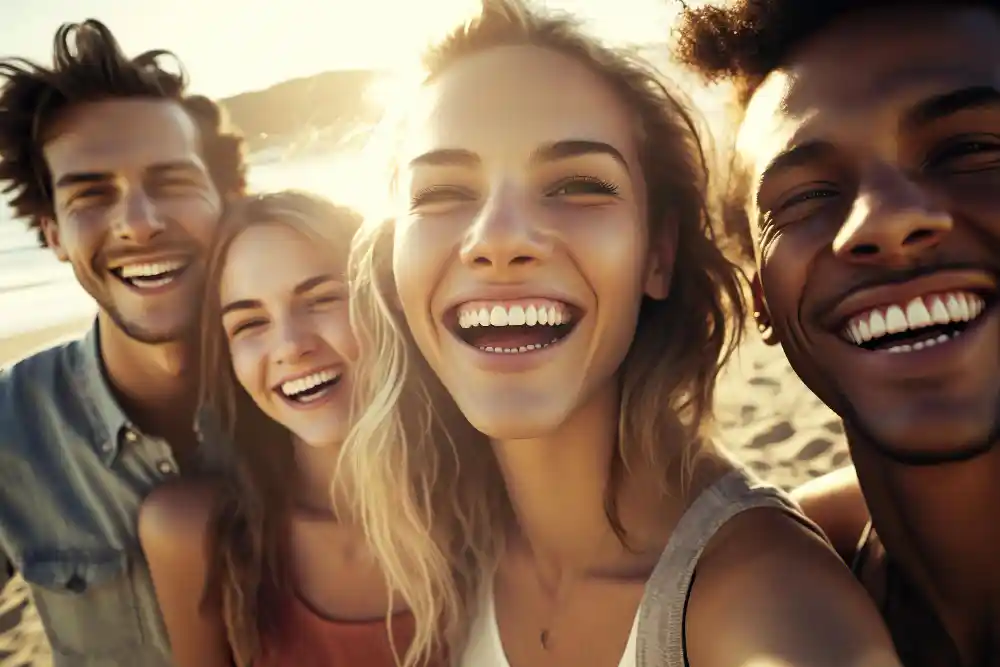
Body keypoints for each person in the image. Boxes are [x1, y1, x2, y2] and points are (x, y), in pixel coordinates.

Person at [342, 1, 903, 665]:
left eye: (577, 184)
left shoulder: (766, 608)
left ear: (657, 253)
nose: (497, 237)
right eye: (441, 192)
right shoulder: (436, 554)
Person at [675, 1, 1000, 664]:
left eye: (968, 150)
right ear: (762, 296)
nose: (882, 221)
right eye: (806, 197)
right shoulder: (775, 567)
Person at [0, 19, 245, 666]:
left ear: (228, 198)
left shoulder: (326, 383)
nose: (139, 223)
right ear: (52, 235)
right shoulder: (9, 430)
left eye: (171, 182)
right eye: (91, 194)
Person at [138, 191, 444, 667]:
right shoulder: (194, 535)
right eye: (249, 323)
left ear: (388, 301)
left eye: (321, 299)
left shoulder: (486, 512)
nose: (289, 345)